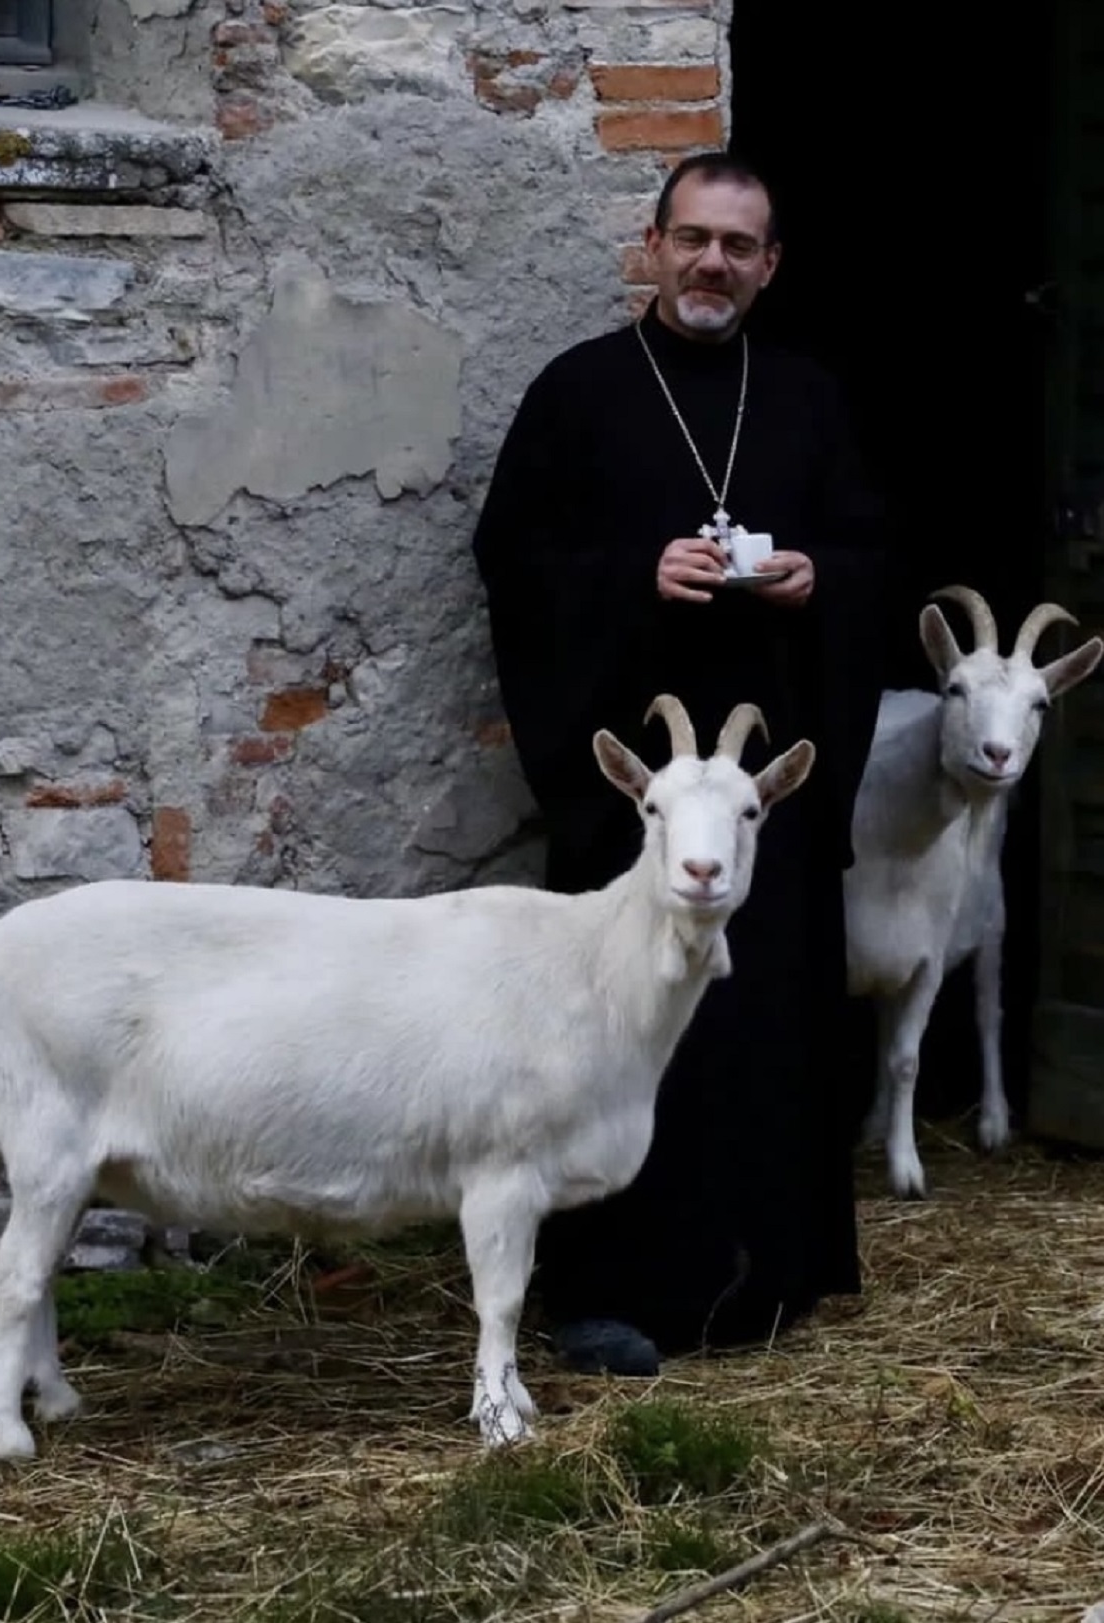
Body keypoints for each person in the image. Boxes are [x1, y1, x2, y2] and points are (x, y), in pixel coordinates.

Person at [471, 151, 887, 1376]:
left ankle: (769, 1276)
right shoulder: (579, 394)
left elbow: (871, 551)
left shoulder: (807, 397)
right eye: (694, 239)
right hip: (634, 797)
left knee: (765, 1022)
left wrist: (822, 580)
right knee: (613, 1035)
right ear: (651, 248)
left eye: (739, 247)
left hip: (766, 794)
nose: (714, 264)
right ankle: (608, 1289)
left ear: (770, 266)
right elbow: (513, 560)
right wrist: (632, 579)